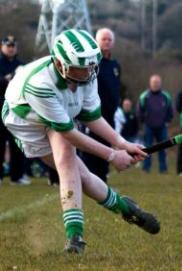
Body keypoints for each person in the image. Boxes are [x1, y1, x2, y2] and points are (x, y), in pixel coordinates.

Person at [2, 29, 159, 253]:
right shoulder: (41, 84)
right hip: (25, 122)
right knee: (69, 159)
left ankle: (80, 235)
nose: (87, 73)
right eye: (79, 68)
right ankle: (122, 208)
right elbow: (69, 133)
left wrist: (123, 143)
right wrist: (112, 155)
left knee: (78, 171)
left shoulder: (87, 74)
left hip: (58, 117)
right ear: (60, 64)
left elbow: (92, 117)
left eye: (89, 67)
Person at [83, 28, 121, 183]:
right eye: (104, 39)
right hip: (94, 113)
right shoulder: (92, 63)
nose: (107, 42)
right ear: (97, 41)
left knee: (107, 144)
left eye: (109, 39)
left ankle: (103, 177)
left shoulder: (115, 65)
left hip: (110, 113)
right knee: (91, 144)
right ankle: (90, 177)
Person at [0, 35, 30, 185]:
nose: (11, 48)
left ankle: (17, 176)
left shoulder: (22, 65)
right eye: (8, 45)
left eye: (13, 46)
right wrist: (6, 79)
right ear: (2, 47)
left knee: (17, 143)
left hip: (17, 110)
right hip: (0, 108)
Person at [137, 75, 173, 173]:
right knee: (147, 148)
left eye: (157, 82)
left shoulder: (166, 96)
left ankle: (163, 169)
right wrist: (143, 123)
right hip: (148, 127)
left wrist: (167, 121)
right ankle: (146, 168)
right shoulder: (144, 96)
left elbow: (170, 111)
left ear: (160, 83)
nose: (155, 84)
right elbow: (139, 111)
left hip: (162, 127)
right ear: (150, 83)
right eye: (154, 82)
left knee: (163, 148)